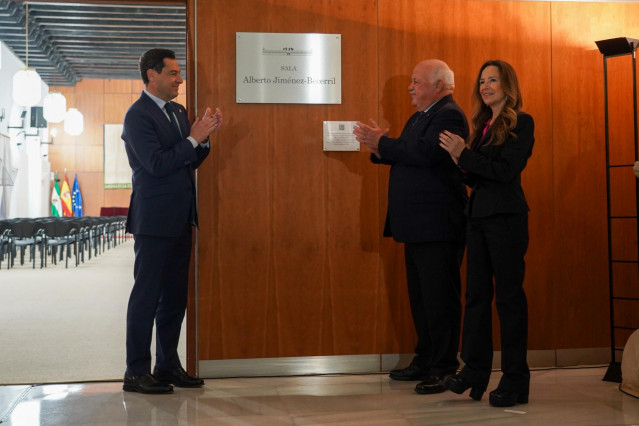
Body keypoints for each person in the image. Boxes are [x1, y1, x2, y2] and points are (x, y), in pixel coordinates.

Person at [354, 59, 468, 395]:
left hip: (438, 224)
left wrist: (384, 143)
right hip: (418, 225)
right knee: (421, 298)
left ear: (438, 84)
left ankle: (444, 367)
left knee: (440, 299)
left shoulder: (449, 114)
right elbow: (407, 152)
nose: (410, 88)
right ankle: (426, 358)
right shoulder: (421, 115)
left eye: (416, 81)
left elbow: (424, 153)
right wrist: (379, 147)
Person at [121, 48, 222, 394]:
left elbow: (187, 162)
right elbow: (157, 164)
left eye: (179, 73)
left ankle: (166, 365)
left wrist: (203, 139)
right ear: (152, 75)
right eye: (173, 73)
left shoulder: (178, 112)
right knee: (146, 297)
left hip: (182, 218)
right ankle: (136, 372)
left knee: (175, 298)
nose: (180, 79)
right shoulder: (137, 116)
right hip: (153, 221)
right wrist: (194, 137)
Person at [438, 59, 534, 407]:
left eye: (492, 80)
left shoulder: (521, 123)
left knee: (508, 300)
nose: (485, 86)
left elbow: (505, 171)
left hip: (506, 219)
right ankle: (474, 371)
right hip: (477, 218)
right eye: (481, 81)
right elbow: (478, 176)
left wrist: (465, 155)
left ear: (508, 85)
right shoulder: (481, 127)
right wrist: (458, 160)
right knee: (476, 297)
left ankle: (515, 380)